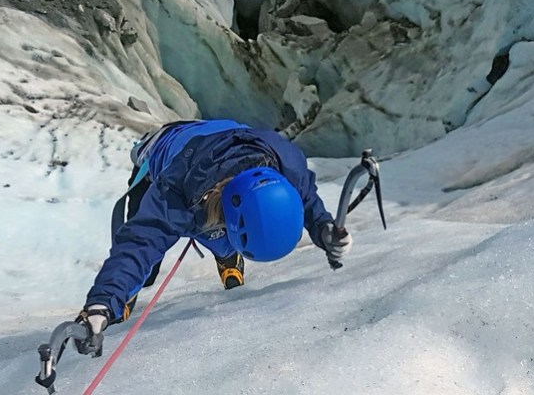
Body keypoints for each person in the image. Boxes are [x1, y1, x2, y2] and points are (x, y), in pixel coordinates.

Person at [74, 119, 353, 356]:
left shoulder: (286, 165)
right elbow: (141, 242)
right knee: (153, 253)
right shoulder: (176, 191)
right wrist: (103, 301)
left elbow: (306, 200)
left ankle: (225, 251)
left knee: (219, 227)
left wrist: (324, 228)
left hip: (225, 140)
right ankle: (127, 291)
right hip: (166, 152)